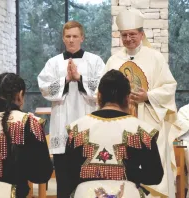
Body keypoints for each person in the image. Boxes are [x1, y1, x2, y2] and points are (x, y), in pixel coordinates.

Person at [104, 8, 183, 197]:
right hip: (119, 126)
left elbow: (169, 87)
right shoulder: (113, 60)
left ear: (141, 34)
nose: (129, 38)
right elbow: (103, 91)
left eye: (132, 34)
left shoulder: (155, 57)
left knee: (151, 171)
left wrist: (148, 96)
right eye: (124, 35)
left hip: (149, 122)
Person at [66, 70, 164, 198]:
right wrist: (129, 173)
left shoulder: (76, 128)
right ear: (127, 98)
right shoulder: (142, 130)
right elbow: (154, 176)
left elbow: (68, 173)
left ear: (99, 96)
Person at [37, 20, 105, 198]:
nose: (71, 40)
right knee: (64, 184)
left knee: (89, 185)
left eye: (75, 36)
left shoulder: (95, 61)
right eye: (68, 36)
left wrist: (79, 77)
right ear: (63, 38)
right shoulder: (53, 63)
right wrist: (66, 80)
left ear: (82, 37)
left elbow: (102, 88)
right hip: (62, 127)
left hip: (89, 128)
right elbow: (44, 88)